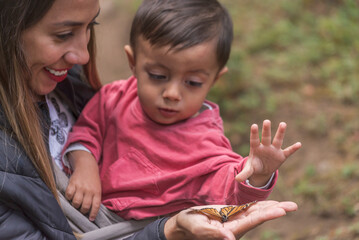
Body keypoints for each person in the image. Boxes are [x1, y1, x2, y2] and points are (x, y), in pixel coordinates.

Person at [0, 0, 299, 239]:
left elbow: (227, 184)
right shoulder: (115, 97)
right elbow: (87, 130)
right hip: (100, 217)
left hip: (144, 226)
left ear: (214, 80)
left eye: (192, 83)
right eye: (157, 76)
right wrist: (85, 163)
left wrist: (257, 174)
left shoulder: (205, 136)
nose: (171, 93)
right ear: (132, 62)